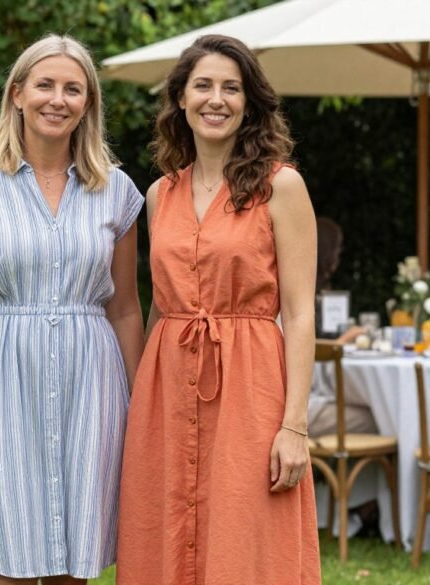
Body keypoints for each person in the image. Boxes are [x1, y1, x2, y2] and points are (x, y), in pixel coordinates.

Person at [0, 35, 145, 584]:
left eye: (73, 89)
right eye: (45, 85)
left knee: (77, 558)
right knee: (10, 555)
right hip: (3, 382)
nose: (58, 99)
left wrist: (143, 411)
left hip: (92, 383)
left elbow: (126, 309)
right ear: (18, 94)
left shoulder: (117, 192)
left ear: (88, 103)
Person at [116, 34, 321, 584]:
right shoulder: (159, 194)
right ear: (181, 98)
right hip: (166, 387)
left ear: (249, 102)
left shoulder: (282, 187)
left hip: (252, 386)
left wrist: (295, 426)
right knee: (165, 525)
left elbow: (300, 314)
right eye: (203, 85)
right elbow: (160, 306)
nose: (216, 99)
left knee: (245, 530)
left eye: (231, 88)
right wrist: (143, 402)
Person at [310, 216, 376, 437]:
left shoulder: (320, 291)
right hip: (306, 407)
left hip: (313, 398)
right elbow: (304, 348)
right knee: (380, 417)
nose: (338, 257)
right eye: (337, 250)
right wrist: (343, 340)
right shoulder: (300, 296)